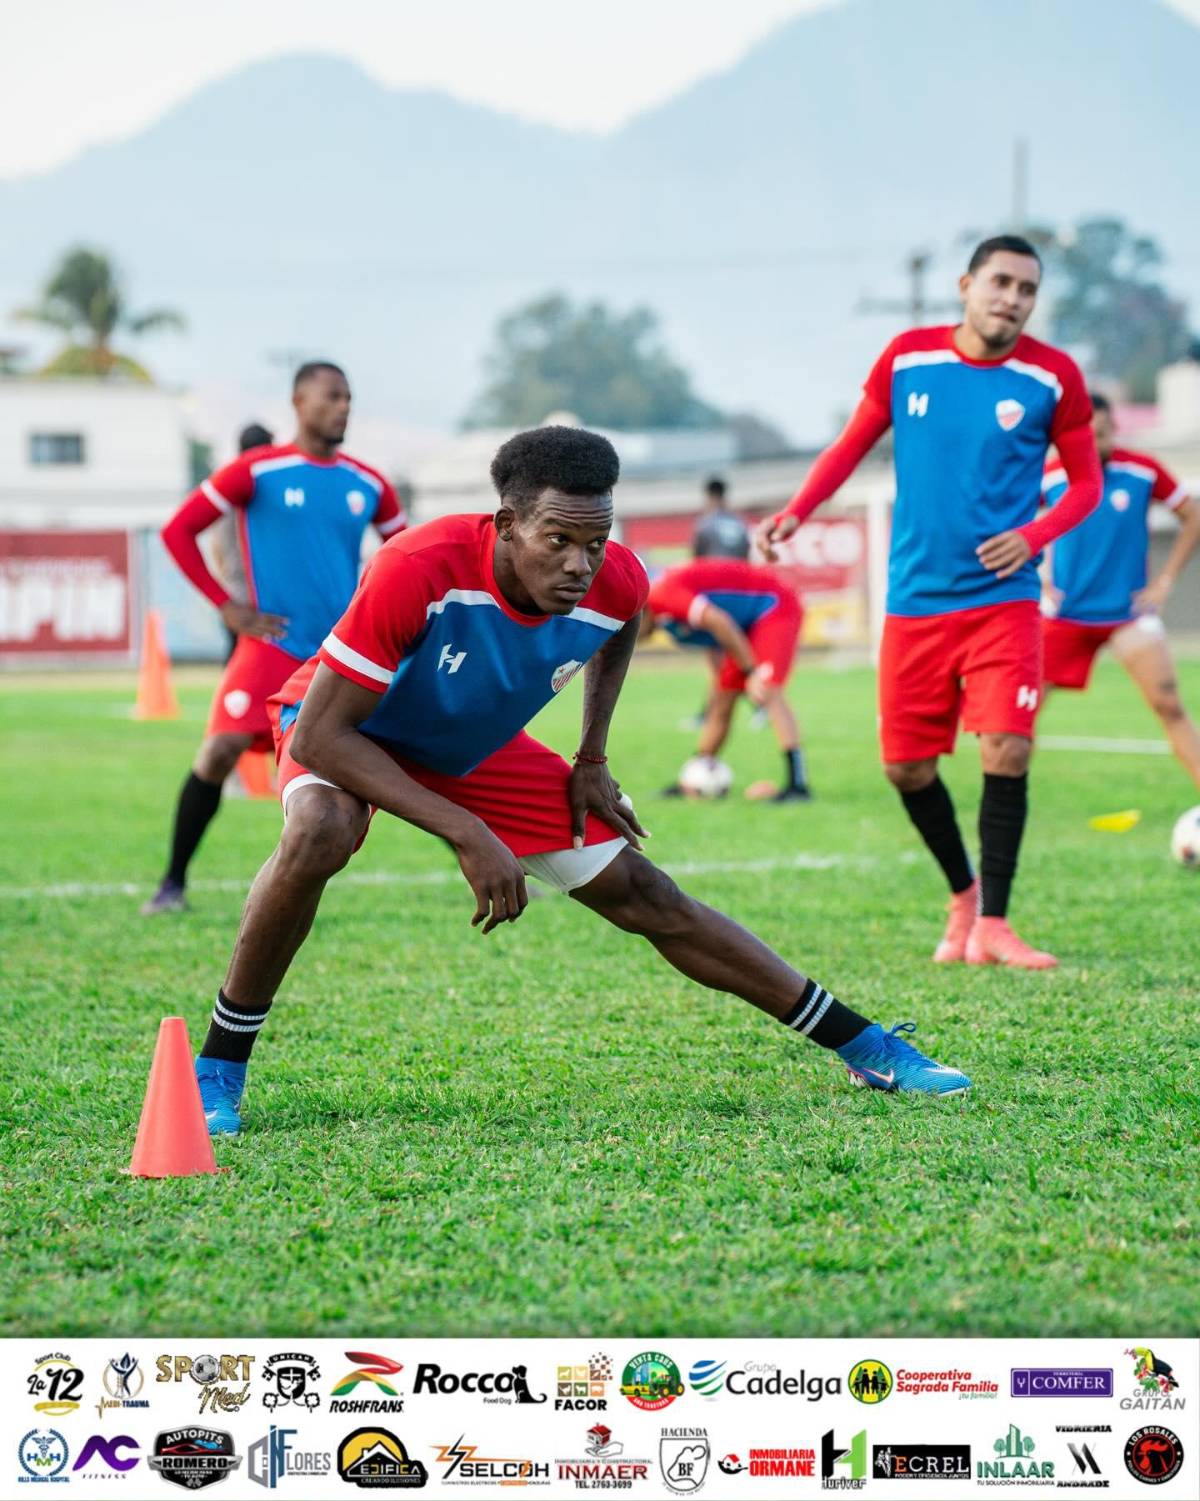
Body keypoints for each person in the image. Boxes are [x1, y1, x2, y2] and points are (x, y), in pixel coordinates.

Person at [192, 426, 970, 1135]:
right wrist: (468, 830)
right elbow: (325, 736)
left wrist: (590, 756)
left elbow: (622, 623)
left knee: (648, 894)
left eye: (594, 541)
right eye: (556, 539)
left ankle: (864, 1044)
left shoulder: (615, 578)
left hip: (472, 742)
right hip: (348, 725)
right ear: (504, 525)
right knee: (321, 830)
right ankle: (218, 1069)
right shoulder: (415, 568)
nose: (578, 563)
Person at [758, 235, 1102, 969]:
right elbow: (850, 446)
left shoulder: (1054, 376)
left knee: (1006, 747)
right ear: (966, 284)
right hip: (915, 603)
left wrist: (1033, 535)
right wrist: (798, 510)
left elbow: (1086, 485)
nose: (1012, 298)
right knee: (906, 768)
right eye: (1000, 282)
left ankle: (997, 925)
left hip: (1003, 600)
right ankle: (964, 895)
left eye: (1026, 289)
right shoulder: (907, 356)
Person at [141, 363, 406, 914]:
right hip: (271, 645)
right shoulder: (257, 470)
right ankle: (171, 884)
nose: (343, 408)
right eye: (332, 397)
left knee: (413, 756)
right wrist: (226, 606)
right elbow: (178, 529)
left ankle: (491, 860)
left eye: (349, 399)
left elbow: (405, 555)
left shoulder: (368, 482)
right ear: (299, 400)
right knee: (217, 752)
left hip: (340, 655)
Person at [1041, 392, 1200, 786]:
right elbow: (1008, 521)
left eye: (1105, 433)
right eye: (1088, 435)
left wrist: (1164, 582)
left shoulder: (1142, 471)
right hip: (1064, 616)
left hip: (1128, 616)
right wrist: (1037, 578)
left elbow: (1193, 516)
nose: (1098, 443)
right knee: (1015, 719)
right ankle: (1006, 812)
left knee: (1169, 705)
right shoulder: (1049, 475)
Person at [643, 557, 811, 801]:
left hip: (774, 605)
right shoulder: (665, 622)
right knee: (722, 698)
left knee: (768, 690)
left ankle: (799, 785)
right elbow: (716, 642)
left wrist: (752, 673)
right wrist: (723, 680)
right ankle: (693, 776)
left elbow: (719, 621)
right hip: (744, 627)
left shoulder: (662, 596)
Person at [211, 422, 274, 663]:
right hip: (252, 596)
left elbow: (217, 547)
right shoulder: (250, 485)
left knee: (240, 666)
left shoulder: (228, 482)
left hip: (236, 592)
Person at [692, 477, 751, 560]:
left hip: (715, 569)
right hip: (737, 569)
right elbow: (746, 551)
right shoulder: (739, 522)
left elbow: (697, 557)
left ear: (709, 497)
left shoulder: (705, 524)